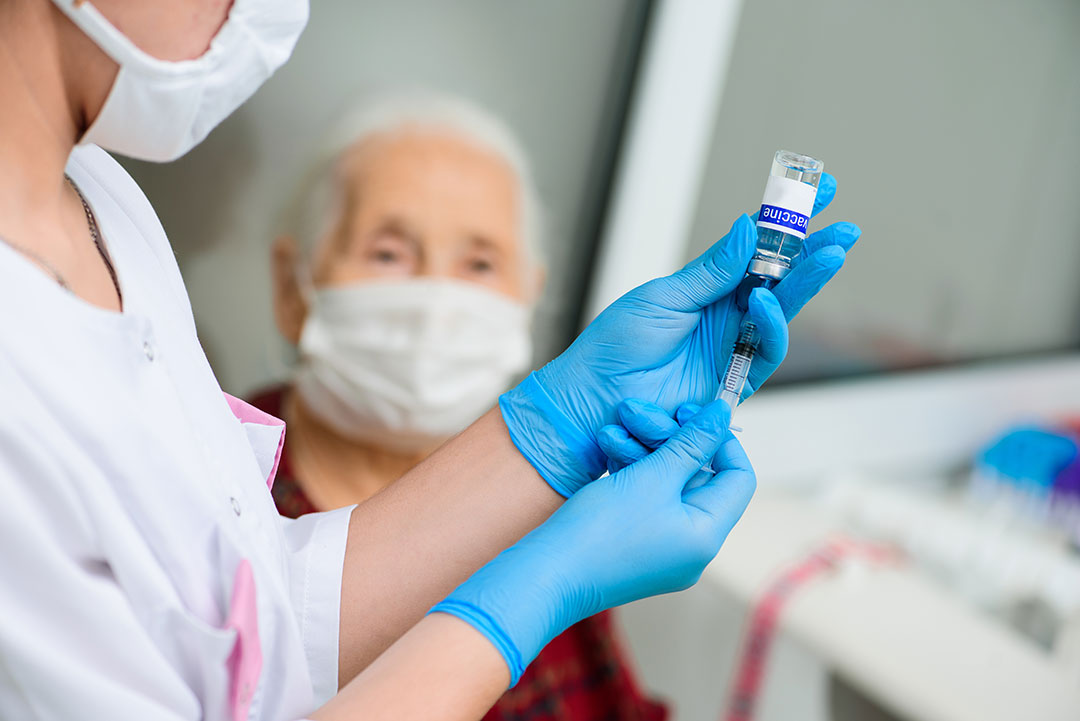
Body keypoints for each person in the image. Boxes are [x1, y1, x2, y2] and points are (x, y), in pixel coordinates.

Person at [0, 1, 861, 720]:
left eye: (481, 262)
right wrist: (528, 593)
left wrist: (555, 427)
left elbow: (255, 623)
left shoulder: (102, 204)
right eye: (388, 253)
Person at [256, 93, 668, 720]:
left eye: (478, 263)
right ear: (294, 286)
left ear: (529, 296)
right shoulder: (224, 486)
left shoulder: (546, 500)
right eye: (389, 254)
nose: (437, 303)